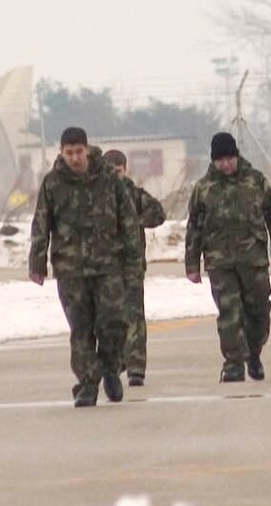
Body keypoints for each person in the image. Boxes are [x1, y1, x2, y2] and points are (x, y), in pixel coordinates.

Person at [29, 127, 142, 407]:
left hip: (108, 266)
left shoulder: (109, 180)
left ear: (87, 149)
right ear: (61, 153)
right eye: (69, 153)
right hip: (71, 269)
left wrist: (133, 263)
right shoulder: (53, 183)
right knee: (81, 330)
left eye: (79, 152)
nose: (75, 158)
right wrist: (37, 262)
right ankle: (87, 384)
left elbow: (128, 221)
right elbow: (41, 223)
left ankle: (110, 368)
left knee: (113, 324)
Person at [185, 131, 271, 383]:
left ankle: (253, 353)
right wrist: (192, 264)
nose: (226, 164)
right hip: (220, 262)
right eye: (220, 160)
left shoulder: (255, 181)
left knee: (258, 311)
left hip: (253, 258)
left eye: (229, 158)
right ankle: (233, 363)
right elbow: (194, 227)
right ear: (213, 161)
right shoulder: (203, 188)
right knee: (229, 312)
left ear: (236, 156)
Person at [103, 147, 169, 387]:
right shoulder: (97, 196)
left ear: (125, 170)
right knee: (110, 318)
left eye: (118, 171)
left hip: (131, 266)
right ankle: (117, 360)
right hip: (105, 269)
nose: (114, 175)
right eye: (110, 171)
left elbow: (159, 214)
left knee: (134, 316)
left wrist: (133, 221)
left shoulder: (133, 194)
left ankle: (136, 366)